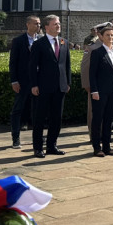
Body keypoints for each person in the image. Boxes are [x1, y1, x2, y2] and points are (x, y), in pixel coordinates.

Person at [29, 14, 71, 158]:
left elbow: (67, 65)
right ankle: (38, 147)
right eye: (55, 24)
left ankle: (52, 146)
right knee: (40, 118)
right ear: (46, 27)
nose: (58, 26)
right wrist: (34, 84)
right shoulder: (39, 44)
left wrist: (68, 82)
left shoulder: (64, 42)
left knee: (56, 118)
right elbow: (32, 66)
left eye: (59, 23)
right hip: (43, 87)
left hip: (60, 87)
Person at [89, 24, 113, 156]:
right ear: (101, 37)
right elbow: (92, 74)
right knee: (98, 119)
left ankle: (107, 146)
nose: (110, 37)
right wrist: (94, 91)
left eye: (112, 35)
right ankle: (97, 147)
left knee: (109, 119)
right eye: (107, 35)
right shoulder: (97, 52)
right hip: (100, 91)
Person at [8, 16, 40, 149]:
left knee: (38, 110)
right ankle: (16, 138)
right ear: (28, 24)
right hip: (23, 81)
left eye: (39, 23)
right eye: (35, 23)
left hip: (38, 81)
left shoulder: (42, 40)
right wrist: (14, 80)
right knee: (18, 109)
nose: (38, 25)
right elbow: (13, 62)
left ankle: (38, 138)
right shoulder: (19, 41)